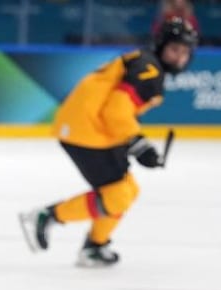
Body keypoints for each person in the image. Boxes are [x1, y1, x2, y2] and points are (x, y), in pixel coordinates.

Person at [19, 17, 198, 267]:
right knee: (118, 195)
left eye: (185, 52)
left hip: (90, 126)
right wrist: (139, 144)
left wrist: (134, 142)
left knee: (127, 190)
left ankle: (95, 246)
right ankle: (46, 217)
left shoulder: (147, 62)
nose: (180, 57)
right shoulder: (151, 71)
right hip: (87, 129)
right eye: (175, 49)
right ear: (161, 45)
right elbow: (115, 112)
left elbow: (114, 110)